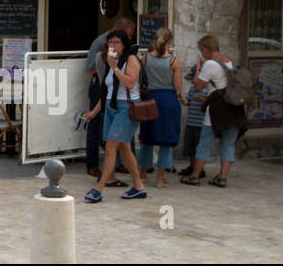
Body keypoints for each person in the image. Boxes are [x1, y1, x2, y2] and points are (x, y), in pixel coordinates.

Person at [81, 29, 148, 203]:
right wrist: (94, 112)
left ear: (124, 44)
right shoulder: (112, 62)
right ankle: (139, 186)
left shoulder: (131, 60)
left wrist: (115, 67)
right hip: (112, 106)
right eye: (110, 42)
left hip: (126, 108)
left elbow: (130, 82)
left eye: (116, 42)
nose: (112, 45)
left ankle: (99, 188)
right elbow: (108, 92)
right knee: (123, 148)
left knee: (110, 147)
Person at [182, 36, 245, 187]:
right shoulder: (228, 61)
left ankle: (195, 175)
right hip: (234, 107)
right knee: (228, 143)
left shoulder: (210, 64)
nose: (201, 53)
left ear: (207, 49)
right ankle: (222, 177)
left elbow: (198, 85)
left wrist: (197, 69)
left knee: (205, 142)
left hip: (216, 108)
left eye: (202, 50)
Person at [84, 17, 134, 177]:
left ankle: (120, 167)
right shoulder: (100, 45)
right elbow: (90, 68)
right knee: (96, 127)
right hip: (101, 87)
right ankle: (94, 166)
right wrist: (110, 69)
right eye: (127, 35)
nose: (129, 39)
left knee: (120, 137)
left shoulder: (128, 54)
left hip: (118, 93)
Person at [137, 27, 183, 188]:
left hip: (150, 98)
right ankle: (160, 178)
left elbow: (141, 80)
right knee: (166, 139)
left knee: (147, 137)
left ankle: (142, 174)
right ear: (170, 41)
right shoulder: (173, 61)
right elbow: (178, 86)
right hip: (167, 99)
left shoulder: (145, 58)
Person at [178, 56, 209, 175]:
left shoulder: (206, 89)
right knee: (190, 147)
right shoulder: (192, 89)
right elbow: (188, 102)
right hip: (191, 121)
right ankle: (192, 165)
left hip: (200, 122)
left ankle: (199, 169)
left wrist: (200, 98)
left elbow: (208, 102)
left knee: (198, 146)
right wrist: (182, 100)